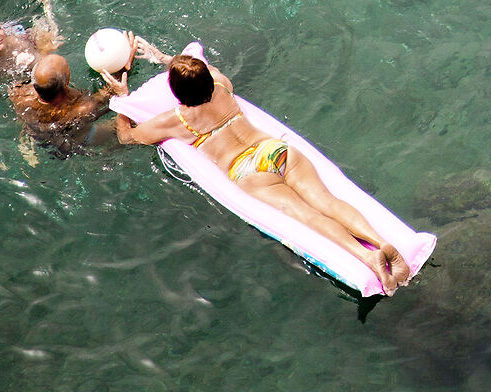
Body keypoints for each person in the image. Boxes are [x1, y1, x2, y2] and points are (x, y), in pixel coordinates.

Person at [116, 53, 412, 291]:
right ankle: (382, 241)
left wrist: (122, 100)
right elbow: (205, 70)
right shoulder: (221, 88)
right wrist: (164, 57)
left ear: (177, 92)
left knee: (308, 215)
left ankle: (369, 257)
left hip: (250, 171)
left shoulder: (177, 120)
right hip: (274, 149)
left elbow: (127, 137)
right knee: (327, 202)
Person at [9, 53, 117, 156]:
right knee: (118, 124)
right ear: (66, 82)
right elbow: (111, 93)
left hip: (40, 137)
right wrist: (123, 66)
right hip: (75, 142)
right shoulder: (81, 108)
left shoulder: (18, 94)